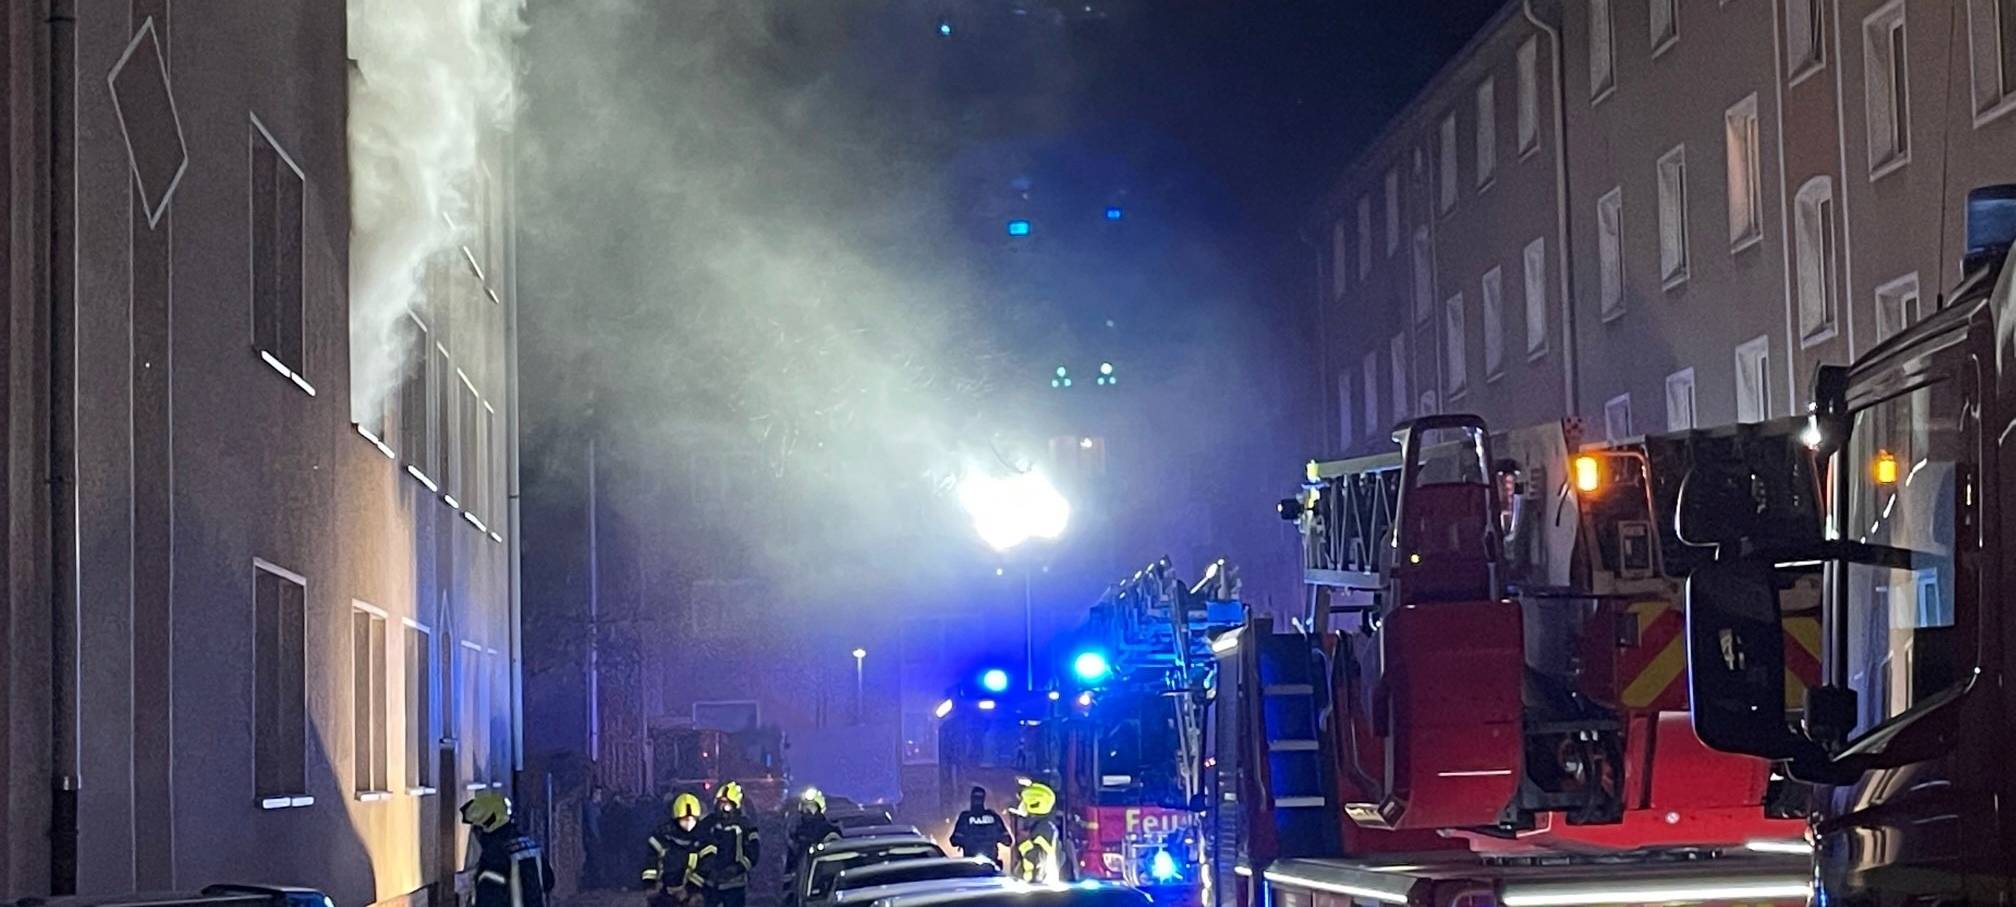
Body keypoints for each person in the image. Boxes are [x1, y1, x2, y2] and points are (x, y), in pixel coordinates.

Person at [461, 790, 556, 907]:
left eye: (476, 829)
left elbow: (489, 899)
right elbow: (548, 882)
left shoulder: (494, 856)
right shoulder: (529, 845)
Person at [698, 781, 762, 907]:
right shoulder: (708, 823)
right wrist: (706, 868)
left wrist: (736, 869)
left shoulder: (746, 826)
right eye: (720, 803)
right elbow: (698, 844)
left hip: (735, 885)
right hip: (710, 883)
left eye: (726, 804)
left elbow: (753, 855)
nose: (723, 808)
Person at [643, 793, 709, 907]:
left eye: (692, 819)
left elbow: (707, 866)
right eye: (684, 819)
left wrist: (690, 891)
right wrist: (650, 886)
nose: (688, 823)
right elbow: (650, 862)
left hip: (691, 896)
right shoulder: (662, 837)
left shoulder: (704, 840)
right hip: (662, 894)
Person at [1010, 782, 1059, 884]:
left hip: (1038, 883)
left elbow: (1038, 858)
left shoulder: (1043, 828)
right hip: (1035, 882)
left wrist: (1024, 843)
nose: (1021, 805)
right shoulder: (1042, 825)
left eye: (1025, 802)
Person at [949, 786, 1010, 866]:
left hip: (978, 862)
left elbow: (1007, 839)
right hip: (982, 861)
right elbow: (954, 839)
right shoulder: (992, 816)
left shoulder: (966, 817)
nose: (977, 801)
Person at [785, 787, 841, 874]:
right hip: (800, 880)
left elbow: (835, 862)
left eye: (811, 806)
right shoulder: (795, 832)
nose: (806, 810)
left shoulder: (829, 831)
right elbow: (791, 861)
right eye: (804, 806)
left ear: (818, 807)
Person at [582, 785, 606, 889]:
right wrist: (597, 837)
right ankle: (593, 883)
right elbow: (593, 824)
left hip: (594, 837)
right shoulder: (591, 808)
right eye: (599, 794)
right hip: (593, 838)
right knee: (594, 860)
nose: (600, 796)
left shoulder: (596, 807)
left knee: (594, 860)